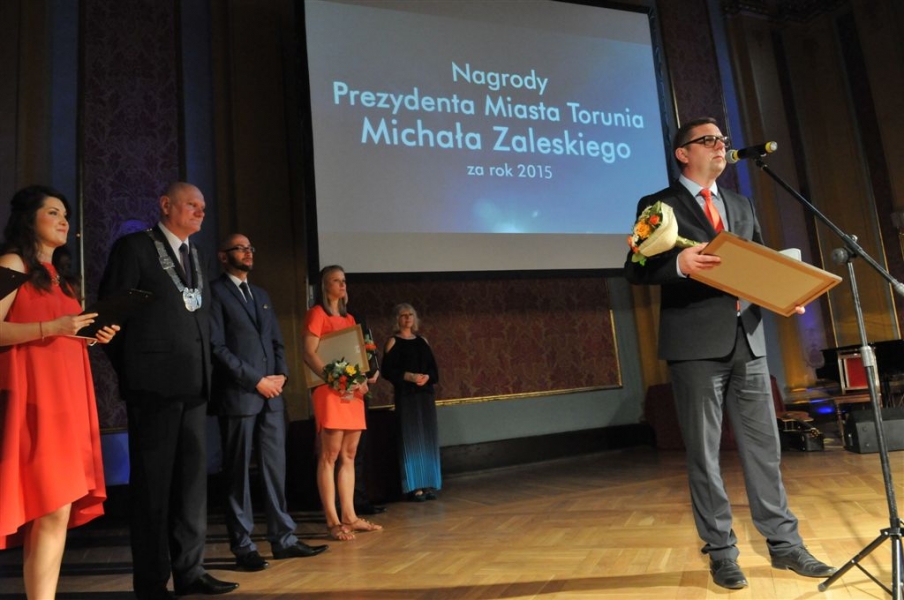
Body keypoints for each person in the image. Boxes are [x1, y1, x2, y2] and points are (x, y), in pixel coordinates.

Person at [623, 117, 834, 590]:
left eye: (722, 139)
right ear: (683, 153)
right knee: (704, 454)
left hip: (749, 341)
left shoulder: (739, 203)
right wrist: (678, 264)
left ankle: (785, 545)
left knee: (765, 449)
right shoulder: (658, 205)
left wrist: (785, 289)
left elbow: (757, 263)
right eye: (708, 140)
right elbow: (635, 268)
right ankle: (721, 552)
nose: (720, 146)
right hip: (695, 346)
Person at [99, 182, 237, 598]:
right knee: (153, 490)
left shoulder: (195, 254)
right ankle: (152, 581)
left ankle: (190, 571)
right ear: (165, 205)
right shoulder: (135, 248)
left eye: (203, 206)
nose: (200, 212)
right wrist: (136, 372)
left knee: (192, 488)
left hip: (194, 386)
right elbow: (112, 319)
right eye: (192, 205)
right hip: (153, 389)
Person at [0, 185, 119, 599]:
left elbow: (63, 334)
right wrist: (53, 328)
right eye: (53, 212)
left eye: (65, 214)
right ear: (28, 219)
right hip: (33, 401)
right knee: (49, 505)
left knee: (58, 508)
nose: (64, 220)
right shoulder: (12, 264)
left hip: (67, 402)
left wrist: (90, 336)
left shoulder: (61, 279)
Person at [209, 233, 328, 572]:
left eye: (250, 248)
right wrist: (255, 380)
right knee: (237, 475)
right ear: (223, 256)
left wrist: (281, 376)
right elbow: (217, 348)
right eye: (240, 248)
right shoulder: (215, 292)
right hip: (239, 396)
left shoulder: (261, 294)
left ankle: (283, 539)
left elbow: (277, 341)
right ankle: (243, 545)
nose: (248, 252)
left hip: (272, 399)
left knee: (275, 470)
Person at [302, 265, 383, 541]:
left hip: (352, 392)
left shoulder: (349, 319)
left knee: (349, 455)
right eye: (336, 280)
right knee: (329, 455)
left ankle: (349, 515)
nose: (342, 285)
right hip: (329, 390)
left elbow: (355, 357)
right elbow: (309, 353)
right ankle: (332, 520)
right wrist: (334, 378)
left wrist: (360, 380)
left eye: (344, 280)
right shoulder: (317, 314)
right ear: (324, 286)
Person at [381, 303, 442, 502]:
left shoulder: (422, 341)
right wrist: (409, 376)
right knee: (411, 438)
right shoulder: (393, 342)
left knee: (427, 438)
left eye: (411, 315)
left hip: (425, 395)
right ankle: (415, 487)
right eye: (403, 315)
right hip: (407, 396)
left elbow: (434, 370)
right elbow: (387, 371)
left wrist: (426, 377)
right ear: (397, 319)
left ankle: (428, 484)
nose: (408, 318)